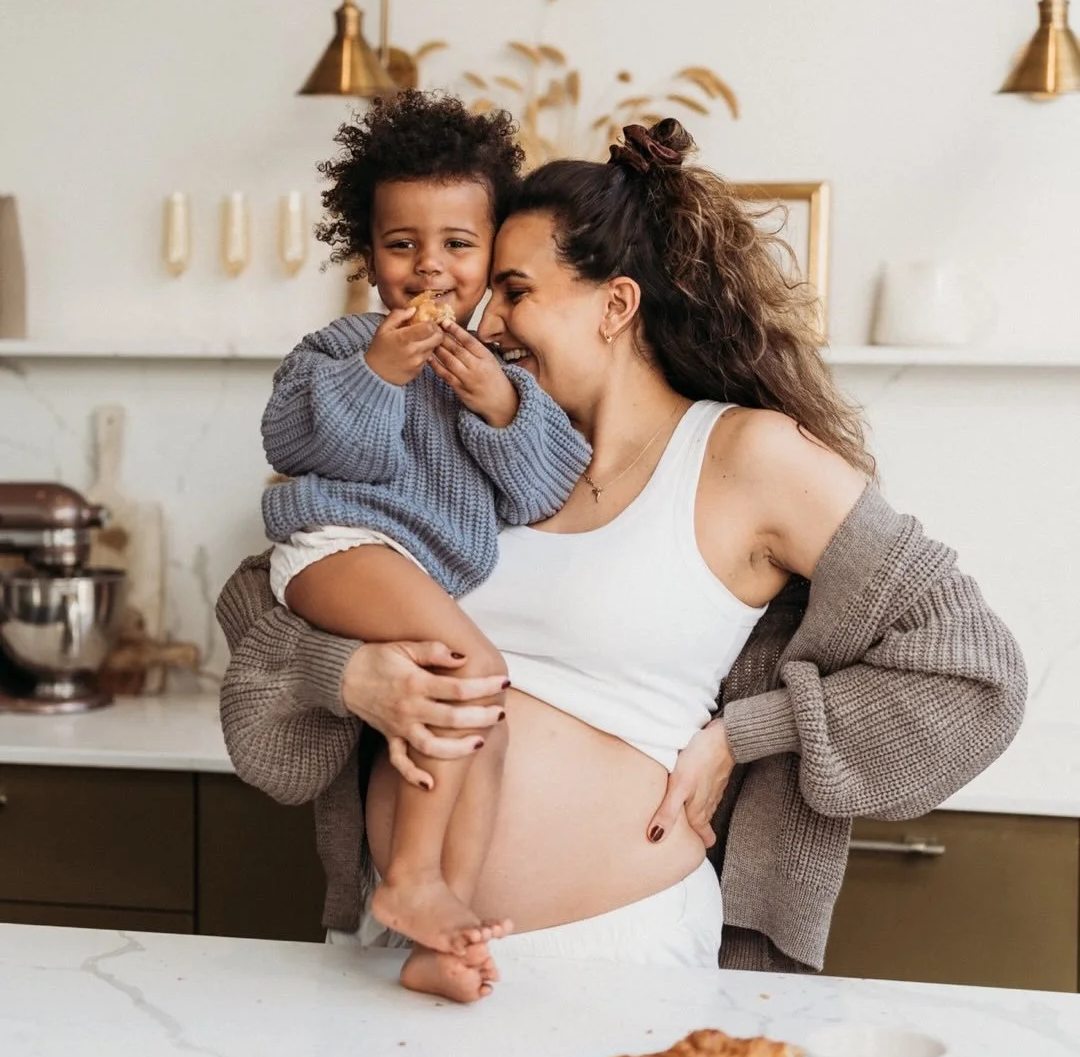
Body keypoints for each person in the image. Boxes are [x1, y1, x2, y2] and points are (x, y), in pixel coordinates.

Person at [218, 118, 1026, 1002]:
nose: (487, 320)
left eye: (514, 291)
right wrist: (350, 675)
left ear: (615, 305)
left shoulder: (748, 458)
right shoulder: (478, 447)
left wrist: (743, 736)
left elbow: (972, 669)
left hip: (618, 966)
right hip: (395, 946)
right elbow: (272, 598)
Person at [258, 89, 590, 1000]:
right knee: (473, 669)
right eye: (403, 246)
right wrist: (377, 376)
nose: (429, 268)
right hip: (339, 549)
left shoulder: (507, 369)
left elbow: (544, 485)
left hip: (413, 574)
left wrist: (501, 405)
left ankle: (440, 930)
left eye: (457, 245)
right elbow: (297, 444)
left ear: (492, 257)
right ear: (369, 258)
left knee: (475, 728)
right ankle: (408, 881)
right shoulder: (337, 348)